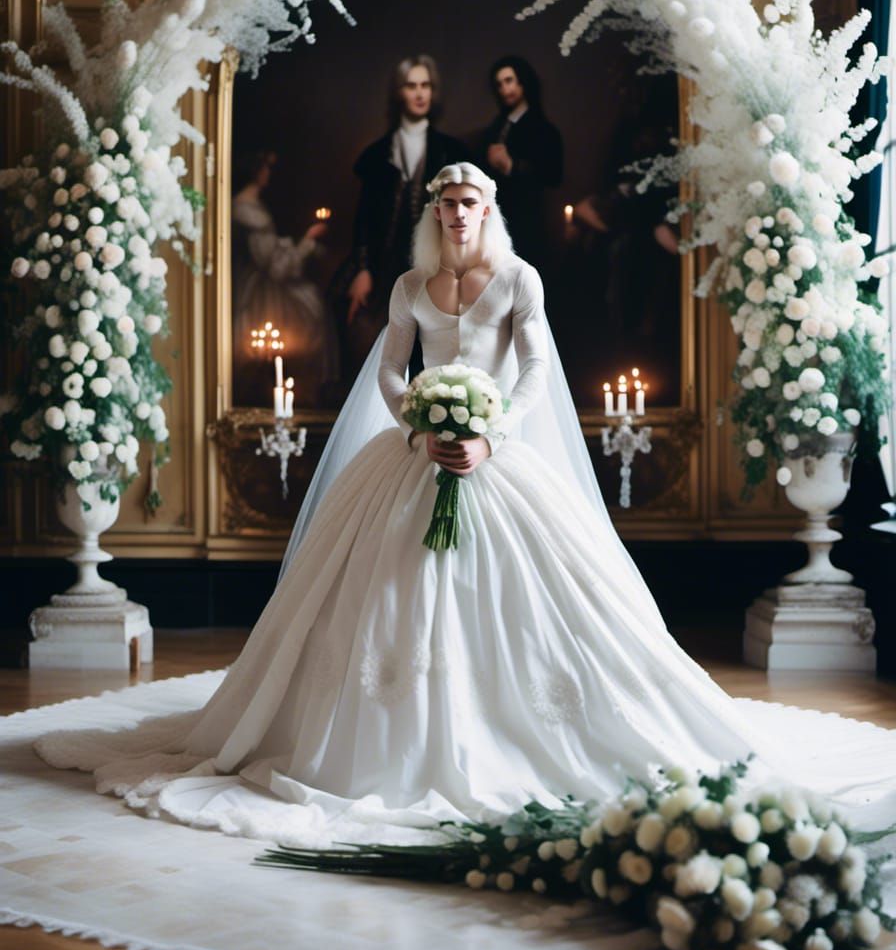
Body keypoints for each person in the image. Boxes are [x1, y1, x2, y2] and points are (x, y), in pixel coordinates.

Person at [36, 163, 896, 881]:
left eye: (471, 204)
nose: (457, 215)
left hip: (495, 453)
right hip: (415, 454)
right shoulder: (411, 284)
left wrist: (486, 433)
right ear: (433, 213)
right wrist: (418, 418)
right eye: (446, 204)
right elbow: (387, 370)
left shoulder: (521, 279)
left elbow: (533, 373)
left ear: (489, 211)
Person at [334, 55, 470, 380]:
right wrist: (363, 269)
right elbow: (364, 216)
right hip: (385, 262)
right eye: (412, 86)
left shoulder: (450, 151)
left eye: (425, 85)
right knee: (374, 340)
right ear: (399, 93)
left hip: (436, 260)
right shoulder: (378, 154)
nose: (420, 93)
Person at [232, 151, 338, 407]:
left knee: (312, 300)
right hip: (262, 293)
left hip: (267, 277)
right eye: (266, 167)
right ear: (255, 170)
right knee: (309, 310)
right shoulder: (247, 209)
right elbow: (276, 267)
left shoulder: (254, 204)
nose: (269, 173)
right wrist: (307, 241)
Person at [479, 56, 563, 270]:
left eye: (509, 81)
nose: (504, 89)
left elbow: (553, 175)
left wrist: (512, 166)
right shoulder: (497, 126)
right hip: (495, 218)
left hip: (526, 219)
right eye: (499, 84)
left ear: (523, 82)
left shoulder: (543, 129)